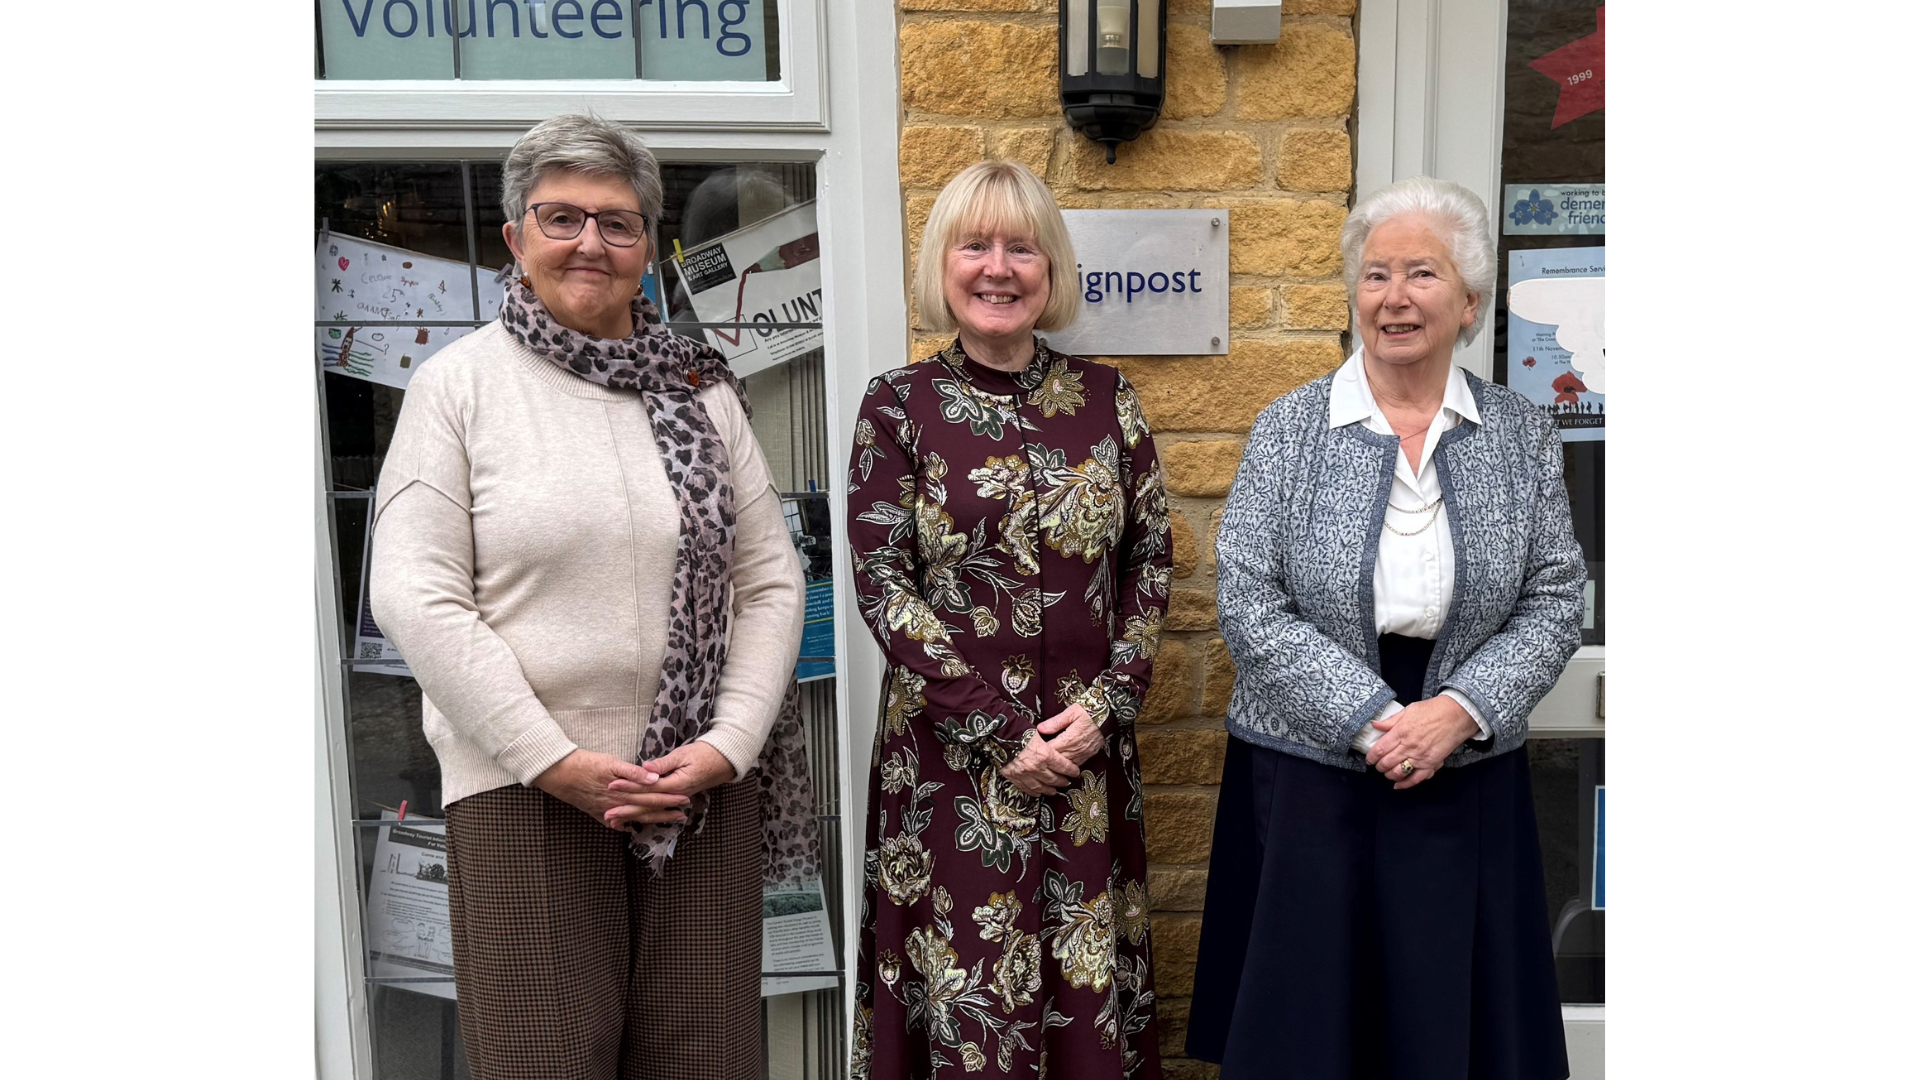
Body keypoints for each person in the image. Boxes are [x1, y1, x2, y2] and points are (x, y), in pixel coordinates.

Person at [368, 113, 815, 1079]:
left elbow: (771, 579)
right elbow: (414, 592)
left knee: (706, 1063)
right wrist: (552, 756)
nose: (589, 243)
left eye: (617, 223)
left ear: (649, 248)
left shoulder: (704, 390)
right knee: (543, 1063)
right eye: (561, 216)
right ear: (515, 239)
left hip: (696, 796)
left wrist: (727, 745)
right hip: (526, 796)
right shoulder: (457, 388)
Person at [1186, 176, 1585, 1080]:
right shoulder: (1289, 429)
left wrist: (1459, 711)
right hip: (1310, 776)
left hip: (1464, 765)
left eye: (1422, 275)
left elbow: (1558, 595)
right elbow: (1247, 598)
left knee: (1454, 1027)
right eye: (1375, 276)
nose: (1394, 298)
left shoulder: (1520, 434)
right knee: (1313, 1028)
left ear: (1470, 302)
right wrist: (1371, 719)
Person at [847, 161, 1170, 1079]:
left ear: (1050, 267)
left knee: (1083, 1001)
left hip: (1083, 756)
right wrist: (997, 730)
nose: (998, 268)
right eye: (975, 245)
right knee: (964, 995)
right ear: (942, 266)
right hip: (948, 765)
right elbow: (882, 579)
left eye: (1021, 247)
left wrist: (1108, 706)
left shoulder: (1108, 401)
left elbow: (1151, 560)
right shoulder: (896, 405)